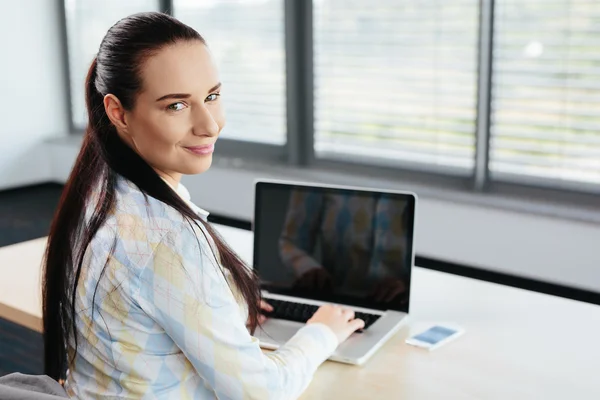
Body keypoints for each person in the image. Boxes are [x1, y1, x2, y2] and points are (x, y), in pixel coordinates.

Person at [42, 12, 364, 399]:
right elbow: (263, 393)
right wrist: (322, 331)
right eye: (176, 106)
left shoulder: (96, 194)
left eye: (211, 96)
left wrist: (220, 304)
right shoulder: (168, 239)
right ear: (117, 112)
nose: (210, 124)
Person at [279, 189, 410, 305]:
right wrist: (308, 268)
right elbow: (291, 241)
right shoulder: (322, 172)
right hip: (334, 302)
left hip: (400, 305)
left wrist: (410, 285)